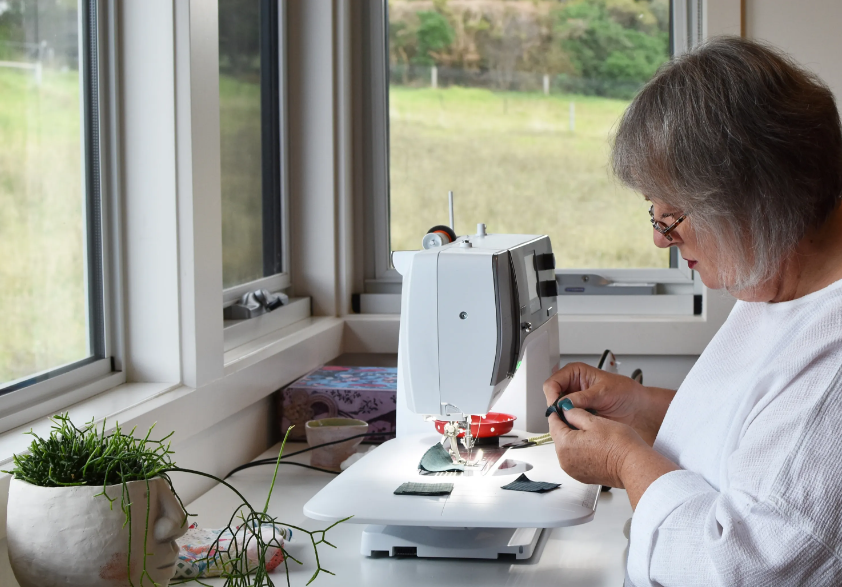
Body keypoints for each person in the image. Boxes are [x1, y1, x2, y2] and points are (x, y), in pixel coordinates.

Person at [543, 36, 842, 586]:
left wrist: (624, 462)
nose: (663, 242)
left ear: (751, 203)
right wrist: (642, 408)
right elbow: (763, 440)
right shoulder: (775, 280)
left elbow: (739, 568)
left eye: (671, 218)